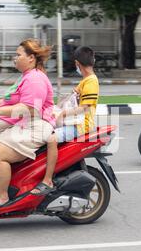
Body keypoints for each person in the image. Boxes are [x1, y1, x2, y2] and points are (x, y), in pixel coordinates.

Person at [0, 38, 56, 209]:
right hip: (22, 122)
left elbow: (29, 108)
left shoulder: (35, 79)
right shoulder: (25, 77)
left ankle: (2, 196)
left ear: (31, 58)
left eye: (18, 54)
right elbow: (11, 100)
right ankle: (5, 179)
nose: (15, 58)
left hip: (36, 125)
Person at [30, 46, 99, 195]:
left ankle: (47, 179)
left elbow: (84, 108)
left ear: (77, 63)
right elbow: (71, 99)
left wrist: (63, 114)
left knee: (51, 138)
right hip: (76, 122)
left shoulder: (91, 82)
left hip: (81, 126)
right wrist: (56, 108)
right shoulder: (85, 80)